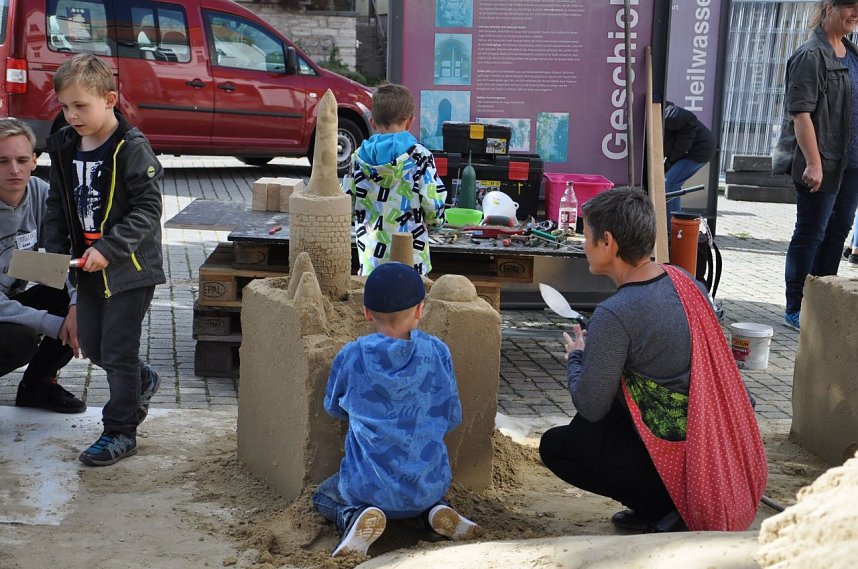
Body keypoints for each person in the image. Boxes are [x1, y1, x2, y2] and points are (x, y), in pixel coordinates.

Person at [539, 188, 767, 533]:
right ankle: (662, 503)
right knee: (591, 426)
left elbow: (590, 405)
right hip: (722, 443)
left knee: (558, 446)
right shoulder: (685, 280)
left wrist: (577, 358)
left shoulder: (615, 313)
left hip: (689, 461)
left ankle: (665, 507)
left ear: (607, 242)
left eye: (586, 236)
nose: (583, 245)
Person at [42, 54, 165, 466]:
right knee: (94, 346)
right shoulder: (64, 144)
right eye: (65, 106)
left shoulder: (132, 148)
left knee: (117, 350)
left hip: (129, 271)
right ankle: (142, 378)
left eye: (81, 105)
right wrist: (54, 254)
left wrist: (109, 249)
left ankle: (120, 430)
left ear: (109, 99)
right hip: (86, 269)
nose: (71, 115)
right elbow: (57, 204)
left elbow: (148, 209)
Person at [313, 262, 482, 558]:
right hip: (428, 485)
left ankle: (354, 515)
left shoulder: (352, 355)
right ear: (420, 309)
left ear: (366, 312)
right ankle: (435, 511)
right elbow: (453, 416)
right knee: (421, 489)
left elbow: (333, 408)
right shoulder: (438, 351)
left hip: (367, 488)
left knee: (324, 493)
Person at [773, 0, 858, 330]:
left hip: (851, 165)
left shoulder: (851, 53)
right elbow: (801, 113)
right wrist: (813, 163)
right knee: (811, 233)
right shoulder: (810, 55)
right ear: (829, 7)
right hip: (823, 163)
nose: (856, 13)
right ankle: (796, 307)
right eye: (850, 6)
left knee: (837, 232)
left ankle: (823, 303)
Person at [0, 118, 85, 413]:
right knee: (18, 339)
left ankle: (37, 388)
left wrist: (76, 307)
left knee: (84, 299)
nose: (14, 169)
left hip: (7, 300)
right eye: (3, 161)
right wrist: (56, 325)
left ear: (35, 161)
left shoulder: (39, 193)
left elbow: (66, 256)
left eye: (22, 160)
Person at [342, 83, 447, 276]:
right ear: (410, 121)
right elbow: (433, 206)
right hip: (411, 259)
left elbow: (345, 204)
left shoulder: (357, 158)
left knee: (374, 294)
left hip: (371, 259)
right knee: (409, 294)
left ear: (373, 122)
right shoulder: (421, 157)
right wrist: (437, 223)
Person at [662, 101, 715, 218]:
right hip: (690, 150)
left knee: (671, 182)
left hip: (699, 149)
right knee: (668, 182)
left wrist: (673, 158)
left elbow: (689, 121)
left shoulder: (667, 113)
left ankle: (673, 224)